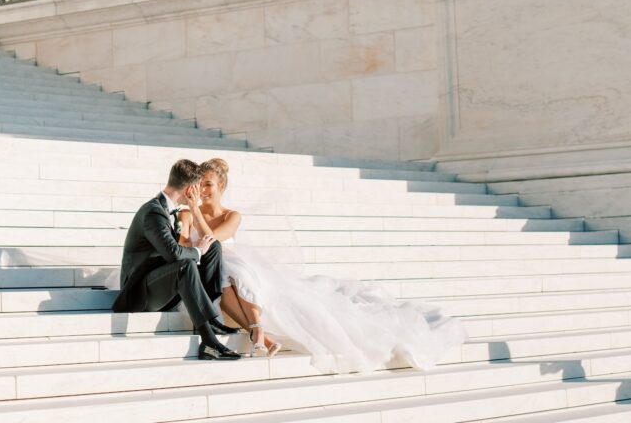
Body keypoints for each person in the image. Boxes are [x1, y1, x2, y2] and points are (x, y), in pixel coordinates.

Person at [176, 157, 466, 374]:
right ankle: (256, 330)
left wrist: (196, 217)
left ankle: (255, 328)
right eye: (200, 184)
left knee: (239, 274)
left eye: (209, 184)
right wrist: (190, 216)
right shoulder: (189, 213)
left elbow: (217, 239)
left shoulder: (232, 215)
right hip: (210, 268)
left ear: (222, 186)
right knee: (228, 275)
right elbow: (186, 243)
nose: (202, 189)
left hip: (233, 259)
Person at [111, 158, 242, 361]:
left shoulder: (170, 209)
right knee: (185, 264)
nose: (199, 192)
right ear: (190, 189)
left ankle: (212, 319)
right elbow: (174, 253)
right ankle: (208, 342)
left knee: (213, 246)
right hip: (139, 293)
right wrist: (198, 251)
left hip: (159, 281)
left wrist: (201, 249)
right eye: (198, 187)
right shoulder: (154, 211)